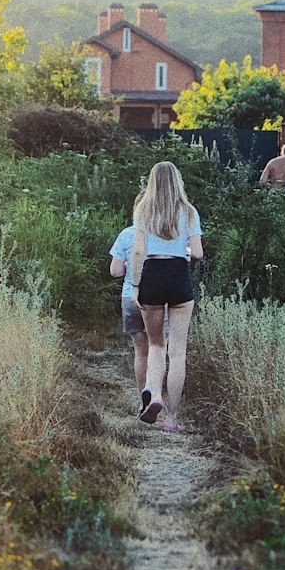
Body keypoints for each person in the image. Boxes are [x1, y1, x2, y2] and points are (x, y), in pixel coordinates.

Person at [130, 161, 203, 432]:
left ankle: (155, 396)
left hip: (152, 274)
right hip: (178, 274)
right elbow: (197, 253)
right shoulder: (189, 211)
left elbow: (137, 251)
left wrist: (136, 286)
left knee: (156, 345)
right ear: (177, 181)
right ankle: (172, 419)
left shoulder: (143, 209)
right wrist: (182, 251)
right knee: (178, 351)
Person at [109, 224, 151, 402]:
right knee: (158, 349)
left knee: (141, 351)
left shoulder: (126, 234)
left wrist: (128, 266)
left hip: (129, 297)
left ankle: (144, 400)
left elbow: (115, 271)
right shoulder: (162, 232)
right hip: (155, 297)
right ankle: (156, 393)